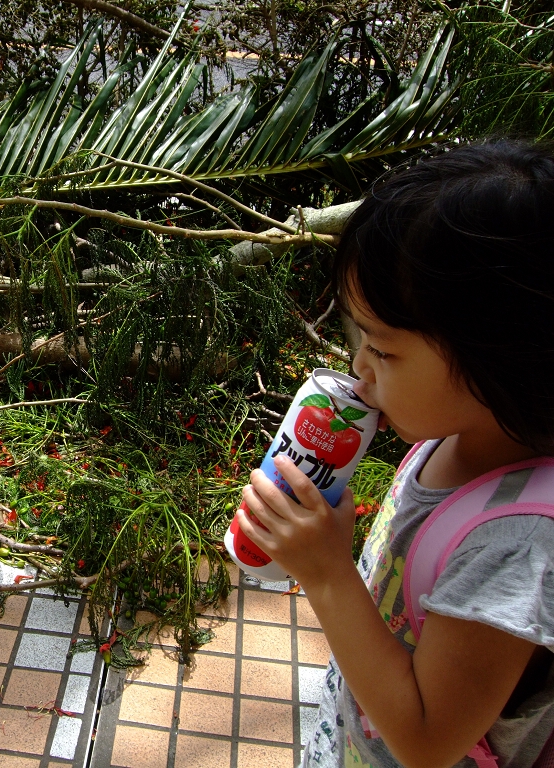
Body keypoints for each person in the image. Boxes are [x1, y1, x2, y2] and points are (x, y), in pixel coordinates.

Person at [237, 139, 554, 768]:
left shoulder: (519, 546)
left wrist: (328, 574)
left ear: (499, 357)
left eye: (383, 350)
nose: (359, 367)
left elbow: (428, 740)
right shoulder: (457, 434)